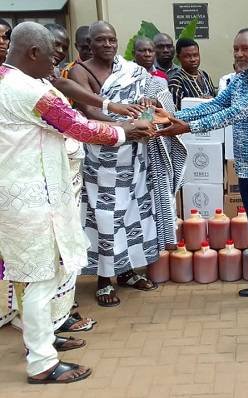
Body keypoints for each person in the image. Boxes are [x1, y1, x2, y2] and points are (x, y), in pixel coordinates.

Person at [0, 21, 152, 384]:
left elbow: (61, 89)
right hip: (31, 201)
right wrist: (125, 131)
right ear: (33, 53)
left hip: (27, 196)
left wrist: (112, 106)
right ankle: (41, 363)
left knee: (41, 275)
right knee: (38, 279)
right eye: (50, 58)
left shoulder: (13, 76)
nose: (55, 67)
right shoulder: (28, 90)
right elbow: (78, 126)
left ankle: (44, 339)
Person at [155, 28, 248, 309]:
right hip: (246, 167)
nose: (240, 54)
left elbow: (233, 113)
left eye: (246, 49)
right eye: (236, 49)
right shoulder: (239, 79)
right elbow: (217, 103)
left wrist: (188, 127)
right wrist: (173, 115)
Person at [68, 21, 186, 307]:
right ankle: (103, 281)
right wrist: (126, 125)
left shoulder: (130, 70)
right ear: (89, 44)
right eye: (101, 40)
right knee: (106, 218)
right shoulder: (79, 71)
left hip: (135, 156)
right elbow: (88, 110)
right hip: (101, 160)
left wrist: (146, 110)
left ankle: (128, 272)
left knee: (135, 215)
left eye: (112, 39)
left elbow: (148, 99)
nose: (108, 45)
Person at [168, 38, 216, 110]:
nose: (193, 59)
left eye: (196, 55)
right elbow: (176, 112)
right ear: (178, 58)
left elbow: (216, 99)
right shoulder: (175, 82)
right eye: (187, 56)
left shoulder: (205, 75)